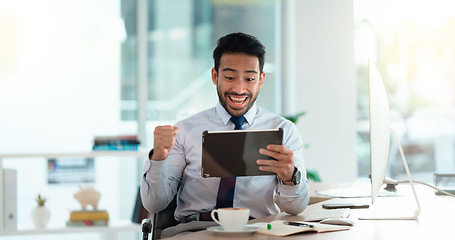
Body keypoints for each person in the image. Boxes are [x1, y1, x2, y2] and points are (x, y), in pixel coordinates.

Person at [141, 32, 310, 237]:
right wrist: (158, 157)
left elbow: (296, 208)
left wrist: (290, 177)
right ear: (215, 76)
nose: (239, 89)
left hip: (256, 231)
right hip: (196, 231)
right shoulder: (185, 130)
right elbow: (154, 203)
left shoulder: (283, 131)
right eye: (230, 77)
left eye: (249, 78)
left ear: (261, 80)